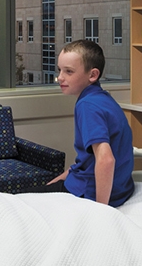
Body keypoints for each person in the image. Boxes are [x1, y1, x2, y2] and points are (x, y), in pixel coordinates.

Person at [40, 39, 135, 206]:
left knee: (14, 204)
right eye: (59, 70)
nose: (60, 78)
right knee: (38, 191)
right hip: (122, 191)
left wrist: (100, 211)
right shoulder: (103, 99)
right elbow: (86, 163)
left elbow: (106, 160)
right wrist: (53, 184)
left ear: (92, 75)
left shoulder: (87, 106)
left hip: (88, 192)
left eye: (69, 72)